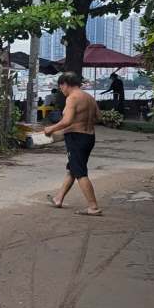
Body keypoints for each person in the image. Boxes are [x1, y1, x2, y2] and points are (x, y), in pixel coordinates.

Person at [44, 72, 103, 216]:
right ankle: (59, 198)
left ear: (65, 84)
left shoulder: (72, 98)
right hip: (89, 137)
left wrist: (51, 128)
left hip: (77, 138)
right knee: (73, 168)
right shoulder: (89, 97)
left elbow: (67, 120)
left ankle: (93, 207)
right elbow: (98, 117)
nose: (61, 90)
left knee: (80, 172)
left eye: (61, 87)